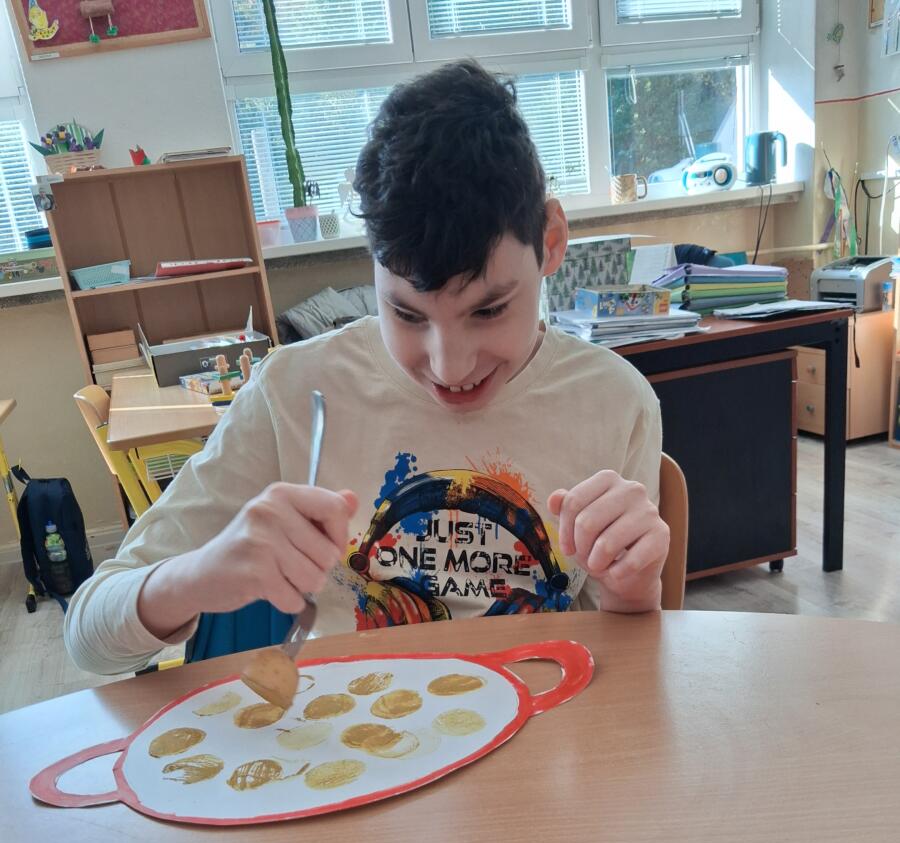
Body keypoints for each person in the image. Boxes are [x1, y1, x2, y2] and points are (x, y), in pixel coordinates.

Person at [65, 60, 669, 677]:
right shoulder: (294, 393)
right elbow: (88, 636)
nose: (449, 366)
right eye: (406, 314)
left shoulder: (614, 402)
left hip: (543, 719)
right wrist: (200, 573)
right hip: (356, 725)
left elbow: (624, 663)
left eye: (489, 310)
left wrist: (632, 590)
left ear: (551, 241)